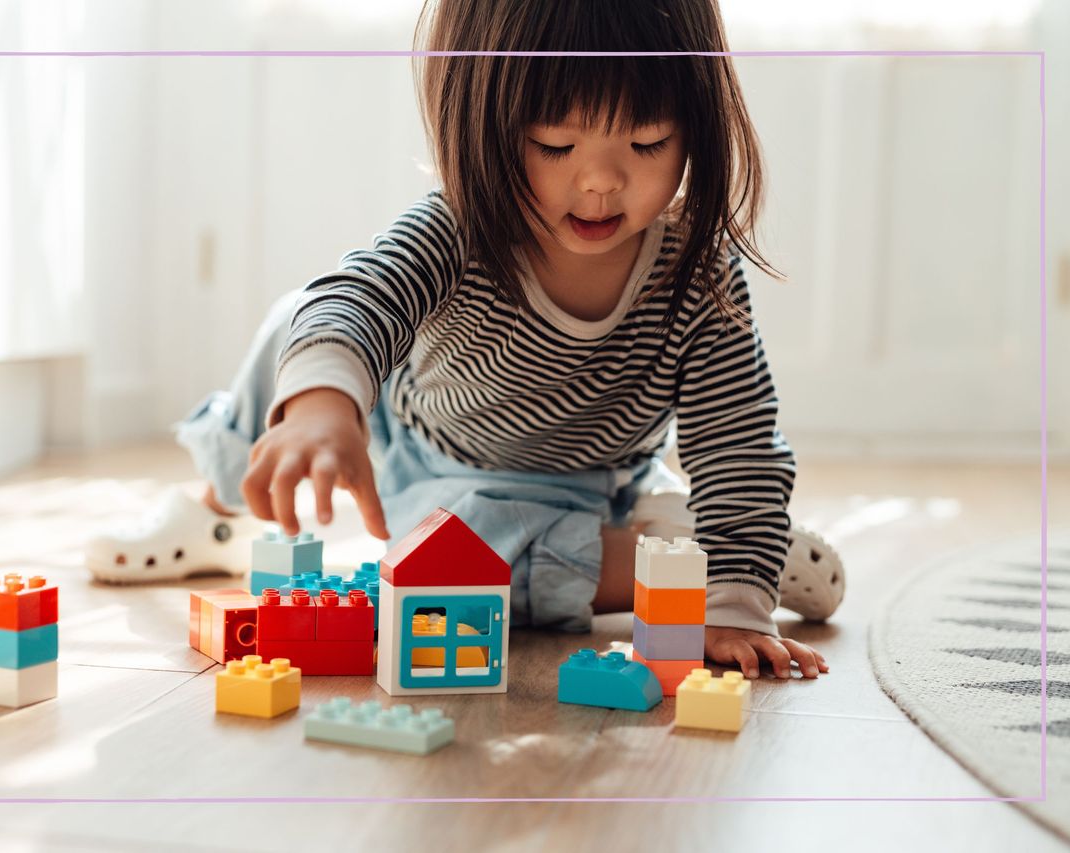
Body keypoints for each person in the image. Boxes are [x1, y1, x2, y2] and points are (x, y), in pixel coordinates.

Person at [87, 0, 846, 680]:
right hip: (415, 448)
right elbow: (361, 295)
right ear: (479, 118)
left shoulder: (699, 272)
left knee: (464, 562)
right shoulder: (459, 228)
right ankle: (218, 504)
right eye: (555, 145)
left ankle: (728, 561)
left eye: (648, 143)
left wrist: (735, 610)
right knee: (303, 322)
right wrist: (322, 408)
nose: (602, 182)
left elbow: (739, 442)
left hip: (587, 486)